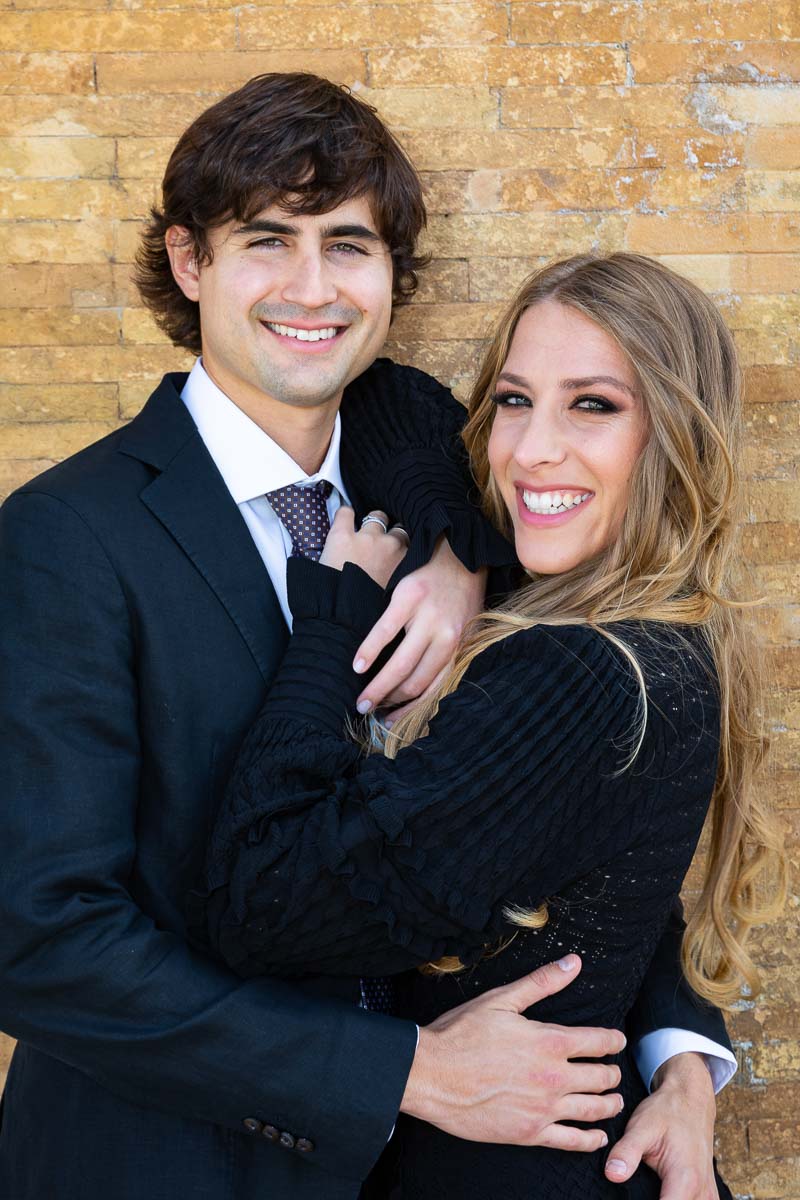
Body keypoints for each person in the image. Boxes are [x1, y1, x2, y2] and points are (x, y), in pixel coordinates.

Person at [0, 71, 734, 1200]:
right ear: (190, 262)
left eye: (347, 245)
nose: (311, 286)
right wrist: (399, 1072)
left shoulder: (491, 501)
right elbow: (40, 940)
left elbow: (580, 812)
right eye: (265, 241)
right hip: (171, 1165)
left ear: (393, 278)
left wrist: (672, 1052)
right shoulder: (64, 539)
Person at [193, 252, 786, 1198]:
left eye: (593, 404)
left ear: (674, 433)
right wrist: (455, 551)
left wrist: (330, 623)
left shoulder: (579, 672)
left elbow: (263, 904)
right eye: (514, 400)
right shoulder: (650, 632)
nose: (531, 450)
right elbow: (381, 390)